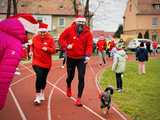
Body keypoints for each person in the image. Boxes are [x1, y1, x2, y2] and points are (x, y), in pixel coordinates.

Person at [0, 13, 38, 110]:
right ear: (27, 31)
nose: (32, 37)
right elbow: (4, 77)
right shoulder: (14, 44)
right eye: (32, 34)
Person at [58, 16, 93, 106]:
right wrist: (66, 45)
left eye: (83, 22)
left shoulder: (88, 33)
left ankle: (78, 98)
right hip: (70, 57)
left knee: (81, 77)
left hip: (82, 59)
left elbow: (89, 44)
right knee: (70, 76)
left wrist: (88, 55)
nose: (81, 23)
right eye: (79, 22)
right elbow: (61, 38)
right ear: (75, 22)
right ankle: (68, 86)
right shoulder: (69, 30)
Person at [31, 22, 56, 104]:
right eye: (41, 32)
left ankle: (42, 92)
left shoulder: (50, 39)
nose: (42, 34)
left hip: (47, 63)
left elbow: (54, 51)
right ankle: (37, 96)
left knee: (43, 78)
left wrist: (47, 49)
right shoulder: (34, 38)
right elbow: (32, 46)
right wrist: (31, 51)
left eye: (44, 32)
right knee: (39, 76)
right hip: (36, 62)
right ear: (38, 32)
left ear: (46, 32)